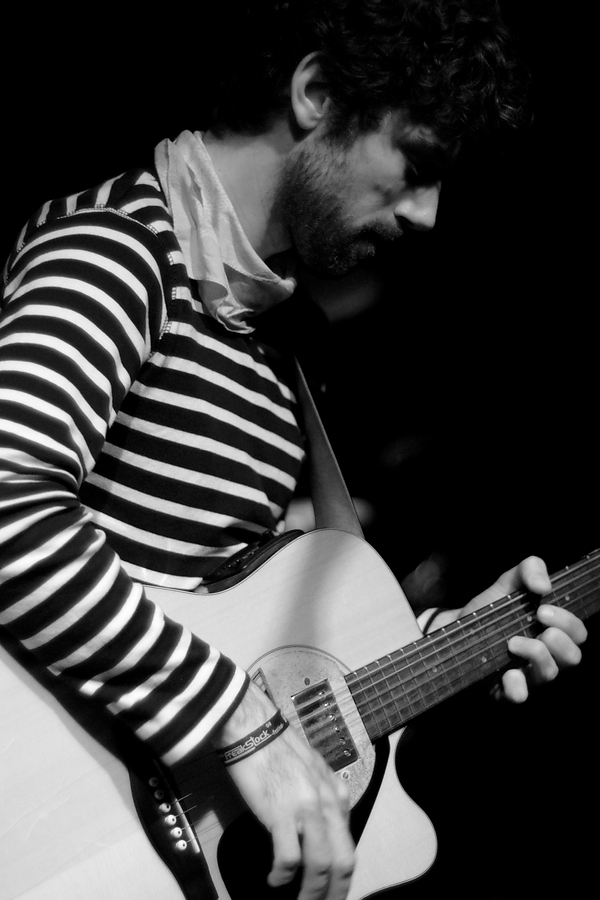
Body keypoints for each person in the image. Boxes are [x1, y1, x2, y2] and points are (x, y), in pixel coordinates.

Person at [0, 3, 588, 899]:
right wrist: (236, 716)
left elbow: (237, 625)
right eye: (417, 166)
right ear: (316, 93)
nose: (429, 215)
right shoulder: (118, 253)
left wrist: (439, 651)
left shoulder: (279, 341)